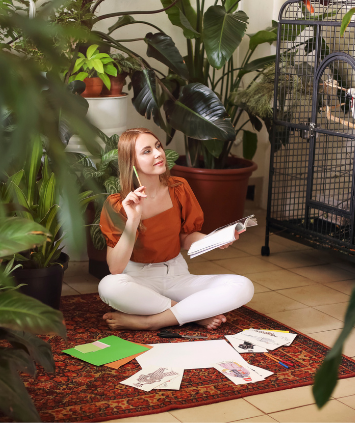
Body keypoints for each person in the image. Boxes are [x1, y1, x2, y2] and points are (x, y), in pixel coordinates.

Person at [98, 128, 254, 331]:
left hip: (177, 275)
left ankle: (152, 321)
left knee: (243, 286)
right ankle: (189, 313)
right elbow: (116, 269)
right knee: (109, 287)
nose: (158, 153)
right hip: (139, 279)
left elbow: (186, 237)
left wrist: (214, 240)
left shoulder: (179, 188)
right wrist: (133, 219)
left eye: (158, 146)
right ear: (131, 162)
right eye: (147, 151)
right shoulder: (117, 205)